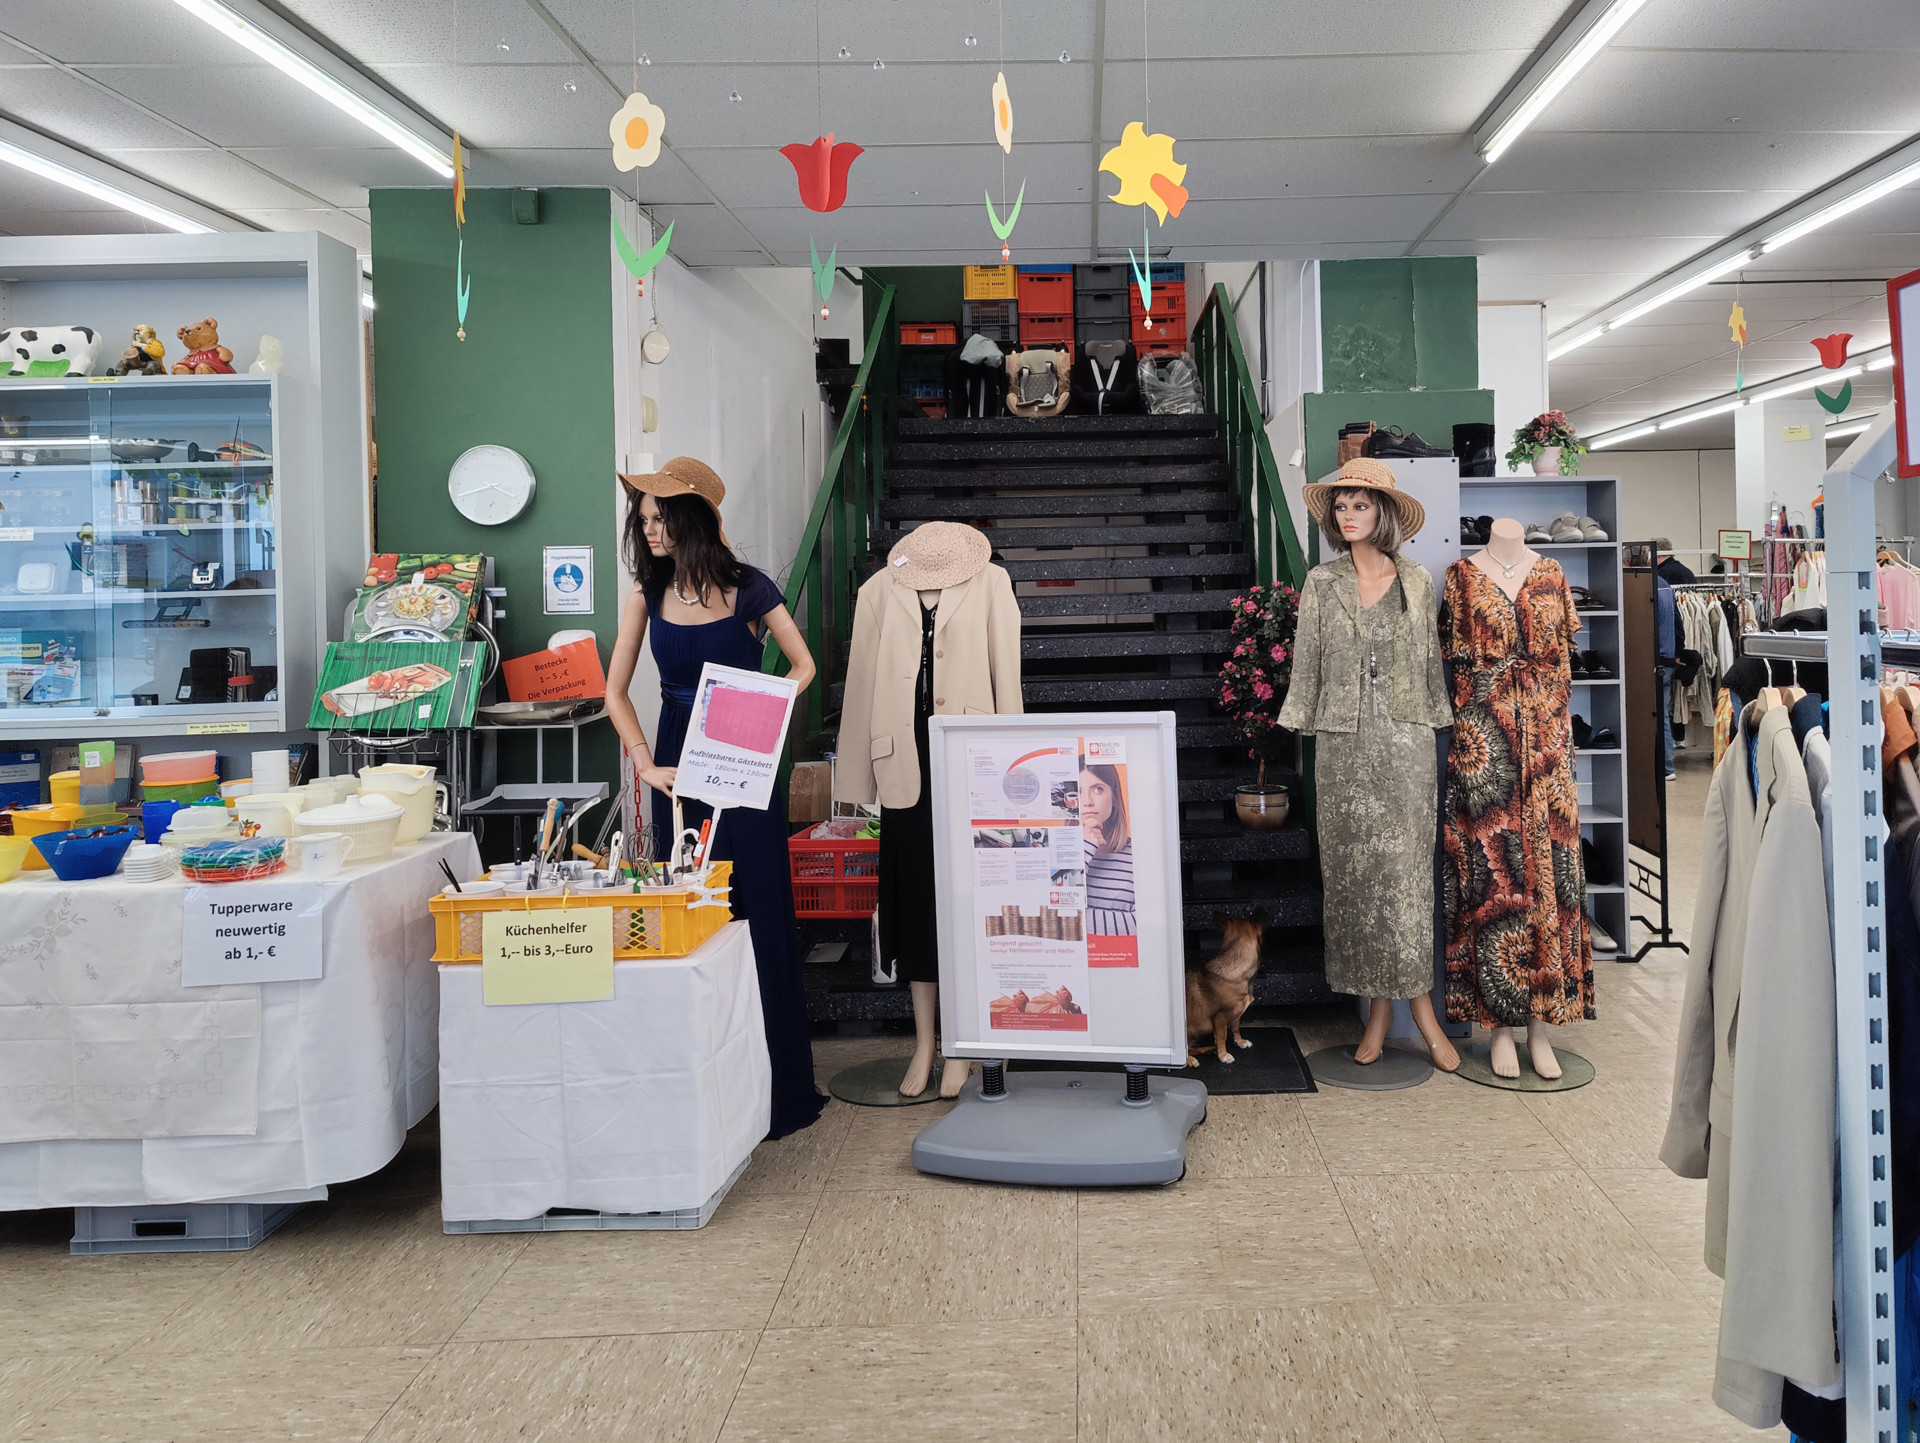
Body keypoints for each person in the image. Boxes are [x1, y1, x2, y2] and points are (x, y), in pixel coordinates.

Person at [605, 457, 826, 1138]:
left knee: (757, 907)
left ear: (692, 519)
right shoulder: (646, 592)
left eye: (659, 519)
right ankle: (704, 1089)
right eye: (643, 520)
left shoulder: (750, 587)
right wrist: (644, 763)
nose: (649, 531)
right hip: (678, 764)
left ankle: (778, 1091)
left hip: (742, 762)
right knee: (696, 911)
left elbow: (804, 665)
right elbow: (613, 692)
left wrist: (756, 708)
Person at [1278, 458, 1459, 1071]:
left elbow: (1428, 664)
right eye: (1341, 506)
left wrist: (1433, 719)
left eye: (1360, 505)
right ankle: (1377, 1012)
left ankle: (1423, 1012)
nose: (1348, 515)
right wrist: (1302, 717)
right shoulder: (1321, 582)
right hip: (1342, 748)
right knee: (1355, 882)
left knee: (1406, 881)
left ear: (1383, 514)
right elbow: (1307, 660)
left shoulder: (1417, 581)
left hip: (1405, 747)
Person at [1079, 760, 1135, 936]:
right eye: (1077, 791)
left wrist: (1076, 919)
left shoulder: (1139, 855)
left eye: (1097, 789)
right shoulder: (1054, 853)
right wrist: (1084, 849)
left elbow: (1142, 924)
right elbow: (1049, 918)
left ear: (1114, 797)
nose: (1087, 802)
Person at [1656, 568, 1678, 779]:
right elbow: (1677, 622)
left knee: (1656, 715)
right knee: (1663, 713)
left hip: (1654, 660)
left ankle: (1666, 766)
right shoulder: (1665, 585)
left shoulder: (1644, 586)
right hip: (1668, 658)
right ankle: (1667, 765)